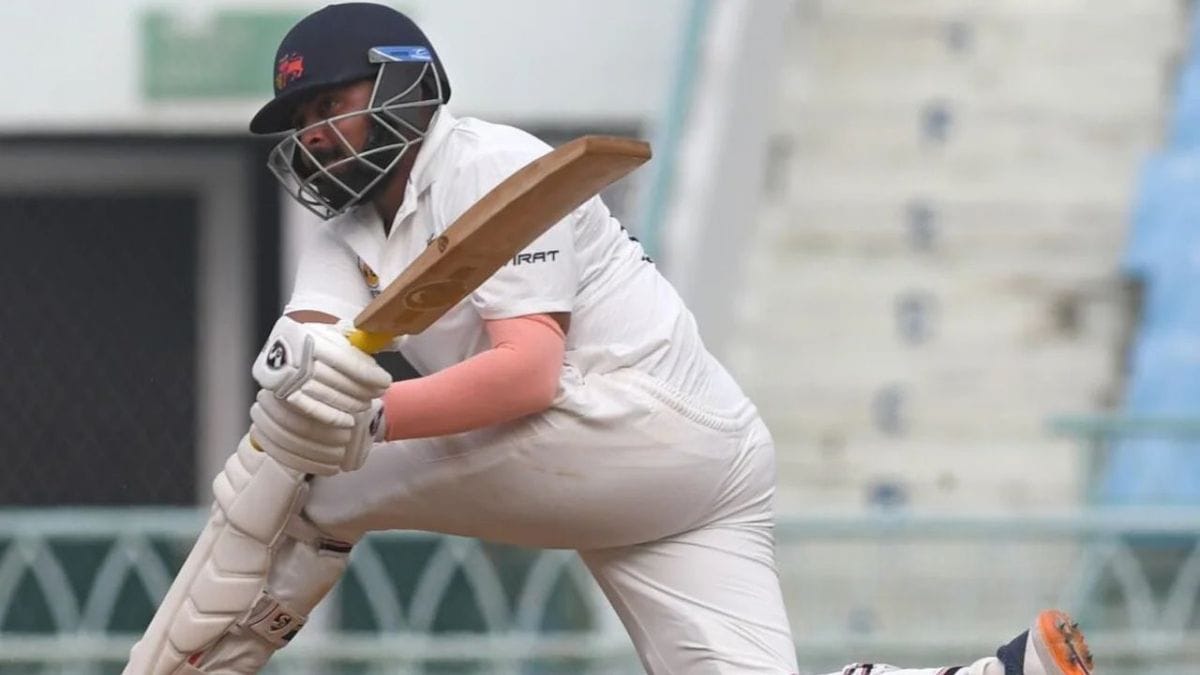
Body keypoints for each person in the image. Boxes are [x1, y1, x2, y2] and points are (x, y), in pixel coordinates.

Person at [123, 4, 1094, 675]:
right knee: (295, 449)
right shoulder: (351, 234)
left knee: (309, 487)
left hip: (637, 427)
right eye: (302, 120)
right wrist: (300, 384)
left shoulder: (489, 164)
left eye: (330, 105)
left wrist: (363, 420)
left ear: (404, 86)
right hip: (684, 473)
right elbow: (309, 340)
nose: (318, 135)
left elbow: (526, 375)